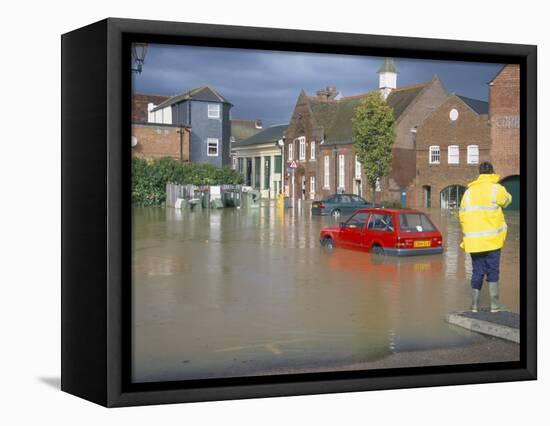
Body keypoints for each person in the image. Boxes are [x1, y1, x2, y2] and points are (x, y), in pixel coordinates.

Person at [459, 162, 512, 313]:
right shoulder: (497, 189)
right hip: (493, 241)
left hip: (474, 242)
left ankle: (474, 305)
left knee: (477, 271)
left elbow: (462, 216)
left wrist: (468, 233)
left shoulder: (468, 192)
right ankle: (495, 305)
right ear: (492, 172)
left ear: (479, 173)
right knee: (493, 270)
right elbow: (508, 201)